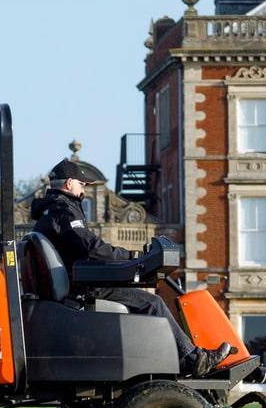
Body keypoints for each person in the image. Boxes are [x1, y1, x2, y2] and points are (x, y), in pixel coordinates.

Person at [30, 158, 231, 376]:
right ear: (69, 183)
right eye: (82, 184)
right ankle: (193, 360)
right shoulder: (63, 210)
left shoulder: (49, 211)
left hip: (76, 283)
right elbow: (91, 248)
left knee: (145, 299)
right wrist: (131, 257)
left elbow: (85, 249)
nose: (83, 190)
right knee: (153, 303)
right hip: (81, 288)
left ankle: (182, 359)